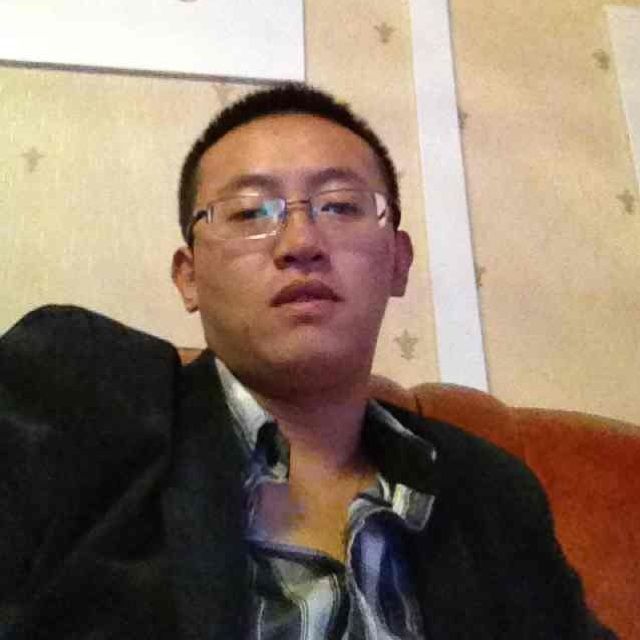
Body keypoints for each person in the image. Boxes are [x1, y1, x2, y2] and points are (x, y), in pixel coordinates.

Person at [0, 84, 615, 639]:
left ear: (398, 262)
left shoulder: (491, 490)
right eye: (249, 212)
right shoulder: (82, 408)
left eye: (341, 206)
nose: (301, 243)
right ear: (188, 277)